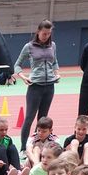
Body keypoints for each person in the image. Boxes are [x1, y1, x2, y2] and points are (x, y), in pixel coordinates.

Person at [13, 20, 60, 154]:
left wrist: (57, 73)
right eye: (44, 33)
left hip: (50, 86)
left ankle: (36, 145)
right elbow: (17, 65)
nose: (46, 36)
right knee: (29, 118)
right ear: (38, 32)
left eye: (49, 33)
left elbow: (55, 62)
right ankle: (24, 148)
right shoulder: (29, 47)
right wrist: (23, 77)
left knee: (43, 120)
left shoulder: (53, 46)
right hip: (35, 87)